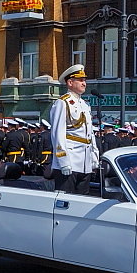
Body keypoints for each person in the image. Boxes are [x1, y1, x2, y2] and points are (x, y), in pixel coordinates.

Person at [47, 64, 97, 194]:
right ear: (70, 82)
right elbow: (57, 133)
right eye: (80, 80)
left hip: (85, 163)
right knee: (65, 203)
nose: (84, 83)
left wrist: (94, 157)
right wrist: (63, 161)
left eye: (84, 80)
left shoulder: (85, 105)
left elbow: (90, 135)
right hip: (70, 161)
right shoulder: (62, 103)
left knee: (82, 203)